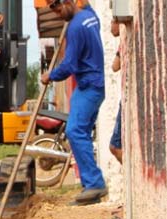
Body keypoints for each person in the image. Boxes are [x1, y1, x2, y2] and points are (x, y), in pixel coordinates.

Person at [41, 0, 107, 204]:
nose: (58, 13)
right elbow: (88, 7)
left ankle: (95, 184)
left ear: (68, 1)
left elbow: (69, 64)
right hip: (95, 86)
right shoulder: (90, 17)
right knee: (82, 132)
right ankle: (91, 189)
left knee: (75, 131)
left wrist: (49, 76)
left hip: (88, 86)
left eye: (58, 8)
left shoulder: (76, 27)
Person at [109, 20, 123, 164]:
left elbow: (115, 66)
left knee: (115, 146)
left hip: (127, 101)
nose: (111, 26)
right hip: (125, 99)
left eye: (113, 21)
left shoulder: (123, 43)